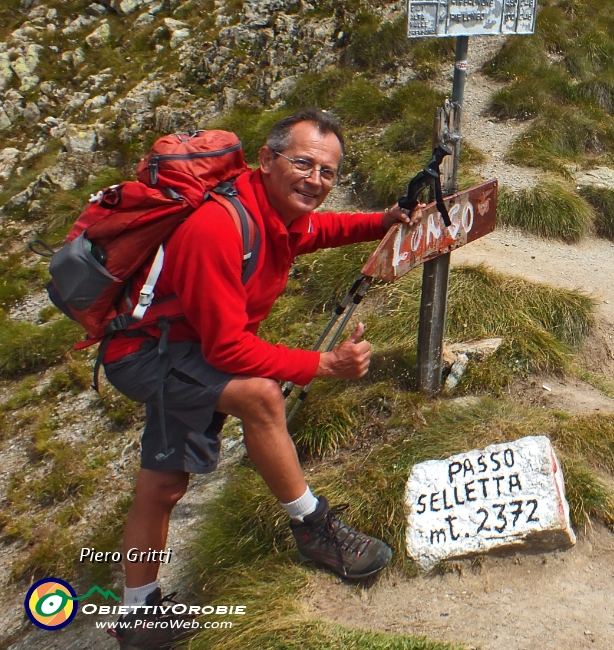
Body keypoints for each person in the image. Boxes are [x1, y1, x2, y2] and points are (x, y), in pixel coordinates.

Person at [103, 109, 413, 649]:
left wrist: (381, 221)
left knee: (163, 485)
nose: (316, 180)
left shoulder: (270, 209)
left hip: (178, 344)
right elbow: (227, 348)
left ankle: (138, 616)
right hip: (148, 354)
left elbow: (320, 229)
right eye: (303, 163)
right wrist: (324, 365)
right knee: (261, 395)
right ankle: (314, 528)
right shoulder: (218, 227)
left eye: (328, 172)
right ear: (266, 160)